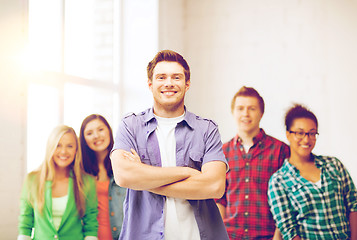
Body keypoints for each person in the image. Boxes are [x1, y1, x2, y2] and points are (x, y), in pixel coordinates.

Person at [110, 49, 229, 240]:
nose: (169, 83)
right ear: (150, 84)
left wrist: (145, 179)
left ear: (187, 84)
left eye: (176, 77)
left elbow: (215, 185)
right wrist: (187, 172)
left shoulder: (207, 130)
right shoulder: (130, 126)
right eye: (161, 77)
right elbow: (124, 176)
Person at [268, 104, 357, 240]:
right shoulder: (279, 181)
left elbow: (353, 204)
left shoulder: (334, 165)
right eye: (300, 133)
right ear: (288, 134)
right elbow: (289, 231)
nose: (306, 139)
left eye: (312, 133)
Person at [215, 86, 290, 240]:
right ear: (233, 112)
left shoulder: (280, 150)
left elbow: (288, 198)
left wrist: (278, 237)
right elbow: (219, 199)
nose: (245, 114)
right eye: (240, 108)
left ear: (261, 113)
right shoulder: (222, 152)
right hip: (231, 235)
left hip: (268, 236)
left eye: (252, 108)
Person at [17, 125, 98, 240]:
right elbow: (25, 223)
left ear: (76, 150)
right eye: (58, 145)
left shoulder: (87, 181)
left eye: (69, 146)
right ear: (50, 147)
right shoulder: (32, 179)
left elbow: (91, 225)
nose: (63, 151)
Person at [80, 114, 126, 240]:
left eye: (100, 129)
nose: (96, 136)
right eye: (89, 133)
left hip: (122, 235)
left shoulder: (123, 164)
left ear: (109, 131)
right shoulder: (81, 171)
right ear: (83, 139)